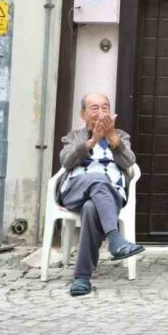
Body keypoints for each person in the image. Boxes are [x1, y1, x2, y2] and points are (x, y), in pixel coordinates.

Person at [58, 92, 146, 297]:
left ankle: (82, 277)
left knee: (91, 208)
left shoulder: (121, 136)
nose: (100, 112)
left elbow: (129, 162)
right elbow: (66, 161)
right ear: (83, 114)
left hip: (111, 194)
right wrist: (92, 141)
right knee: (98, 177)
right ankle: (114, 238)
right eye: (94, 108)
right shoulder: (73, 136)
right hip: (75, 190)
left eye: (105, 107)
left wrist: (112, 138)